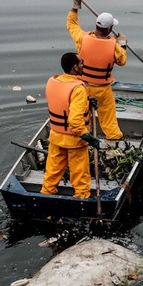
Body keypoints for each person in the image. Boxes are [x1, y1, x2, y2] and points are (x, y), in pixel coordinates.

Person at [67, 0, 128, 140]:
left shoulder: (82, 39)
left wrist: (75, 6)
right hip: (102, 89)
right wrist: (123, 44)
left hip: (83, 87)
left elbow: (71, 24)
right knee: (108, 116)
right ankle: (114, 137)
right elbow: (122, 61)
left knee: (81, 114)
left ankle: (81, 136)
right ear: (109, 28)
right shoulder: (114, 46)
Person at [40, 52, 100, 199]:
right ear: (74, 67)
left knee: (52, 173)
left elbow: (63, 104)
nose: (83, 65)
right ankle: (80, 199)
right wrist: (88, 137)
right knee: (80, 176)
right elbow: (74, 120)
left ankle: (45, 198)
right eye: (81, 63)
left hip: (56, 137)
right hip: (75, 141)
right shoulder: (78, 89)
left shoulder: (53, 81)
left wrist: (87, 102)